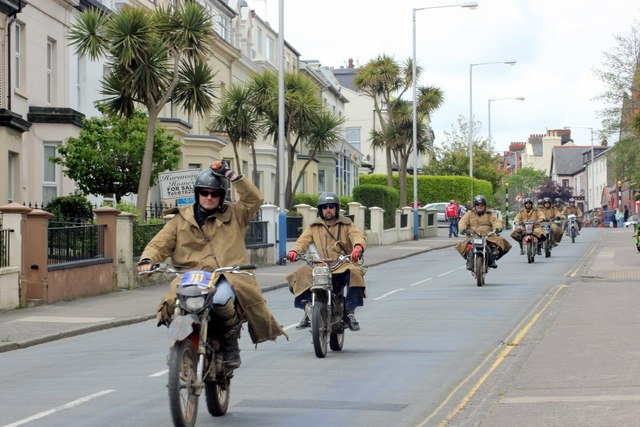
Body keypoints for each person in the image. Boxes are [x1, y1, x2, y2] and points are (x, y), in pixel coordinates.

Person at [137, 161, 287, 370]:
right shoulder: (180, 219)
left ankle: (228, 345)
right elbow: (159, 244)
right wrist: (147, 261)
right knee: (172, 305)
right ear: (197, 193)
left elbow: (254, 198)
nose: (209, 197)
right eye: (204, 192)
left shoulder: (236, 214)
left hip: (227, 275)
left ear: (221, 195)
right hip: (191, 276)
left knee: (220, 300)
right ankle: (180, 347)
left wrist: (231, 175)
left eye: (214, 193)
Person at [286, 192, 367, 331]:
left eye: (331, 207)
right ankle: (308, 309)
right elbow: (302, 241)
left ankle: (349, 311)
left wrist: (357, 248)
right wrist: (294, 252)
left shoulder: (347, 224)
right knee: (298, 275)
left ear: (336, 208)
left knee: (355, 272)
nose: (328, 210)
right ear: (321, 210)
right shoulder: (314, 226)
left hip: (341, 264)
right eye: (324, 207)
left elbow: (357, 236)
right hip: (320, 264)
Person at [456, 195, 512, 270]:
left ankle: (492, 260)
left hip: (487, 236)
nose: (480, 206)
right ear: (475, 206)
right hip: (473, 235)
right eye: (478, 205)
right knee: (464, 246)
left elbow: (496, 221)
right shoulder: (469, 213)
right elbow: (463, 221)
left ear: (484, 205)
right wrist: (462, 228)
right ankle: (469, 260)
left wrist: (498, 227)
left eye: (482, 205)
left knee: (500, 242)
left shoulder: (489, 214)